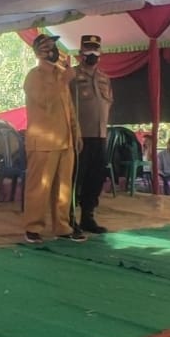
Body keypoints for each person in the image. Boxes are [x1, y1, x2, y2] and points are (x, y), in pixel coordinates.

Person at [22, 34, 86, 244]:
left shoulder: (61, 74)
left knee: (63, 189)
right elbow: (44, 101)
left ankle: (62, 227)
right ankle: (33, 228)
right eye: (49, 46)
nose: (54, 50)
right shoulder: (34, 77)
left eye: (54, 45)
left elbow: (69, 108)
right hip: (43, 144)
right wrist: (64, 80)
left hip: (66, 141)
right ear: (39, 52)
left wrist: (76, 133)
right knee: (39, 188)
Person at [69, 34, 111, 234]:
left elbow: (108, 104)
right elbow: (66, 105)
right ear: (81, 53)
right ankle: (68, 218)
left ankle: (88, 217)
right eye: (88, 50)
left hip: (100, 136)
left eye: (96, 49)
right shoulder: (71, 75)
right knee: (75, 178)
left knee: (95, 178)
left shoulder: (105, 78)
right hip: (79, 137)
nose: (92, 53)